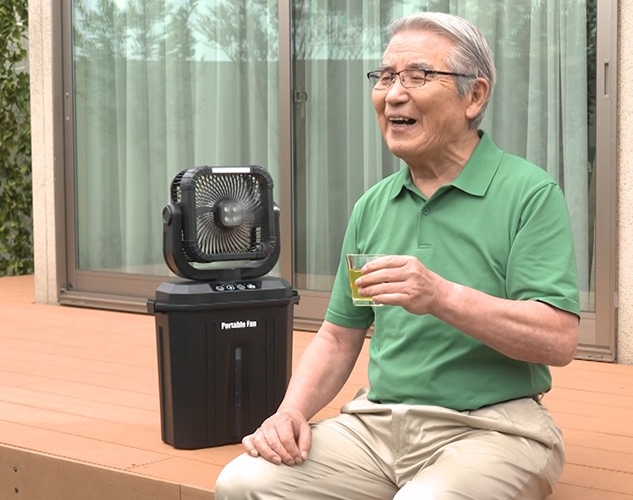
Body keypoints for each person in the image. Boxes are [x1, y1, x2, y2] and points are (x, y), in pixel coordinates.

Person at [215, 11, 580, 500]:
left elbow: (558, 339)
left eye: (418, 76)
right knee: (242, 482)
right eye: (385, 77)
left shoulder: (529, 193)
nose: (392, 95)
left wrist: (441, 296)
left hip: (494, 428)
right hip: (377, 425)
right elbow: (339, 337)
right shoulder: (373, 205)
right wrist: (290, 413)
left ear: (474, 96)